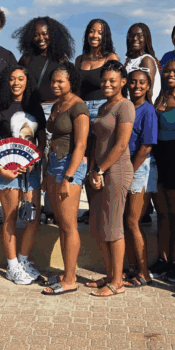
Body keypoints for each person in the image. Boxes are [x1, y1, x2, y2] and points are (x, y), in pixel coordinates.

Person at [13, 16, 76, 226]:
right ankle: (30, 206)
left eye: (45, 34)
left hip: (53, 110)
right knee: (30, 158)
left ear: (53, 35)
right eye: (37, 34)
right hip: (30, 112)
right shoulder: (26, 59)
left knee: (51, 159)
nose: (41, 38)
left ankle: (50, 209)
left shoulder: (61, 60)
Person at [0, 66, 46, 285]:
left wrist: (33, 161)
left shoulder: (35, 108)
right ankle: (12, 266)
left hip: (31, 171)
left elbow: (41, 141)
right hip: (6, 171)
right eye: (12, 79)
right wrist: (1, 167)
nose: (16, 83)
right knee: (10, 218)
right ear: (6, 82)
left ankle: (23, 260)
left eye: (20, 79)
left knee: (32, 216)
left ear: (27, 81)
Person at [84, 61, 135, 297]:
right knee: (99, 227)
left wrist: (100, 170)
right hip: (99, 172)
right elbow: (96, 142)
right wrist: (92, 170)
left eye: (112, 80)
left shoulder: (125, 106)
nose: (106, 84)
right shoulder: (104, 106)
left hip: (116, 171)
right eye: (104, 80)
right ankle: (109, 274)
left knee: (113, 227)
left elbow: (122, 144)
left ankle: (117, 283)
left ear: (122, 82)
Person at [41, 61, 89, 295]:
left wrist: (68, 177)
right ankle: (66, 272)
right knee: (61, 223)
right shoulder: (57, 104)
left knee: (69, 225)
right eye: (53, 81)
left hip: (69, 166)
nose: (55, 85)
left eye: (60, 81)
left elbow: (80, 145)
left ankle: (70, 279)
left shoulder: (78, 107)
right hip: (54, 163)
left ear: (71, 81)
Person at [75, 18, 119, 223]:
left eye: (100, 32)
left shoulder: (111, 58)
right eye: (92, 31)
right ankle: (92, 209)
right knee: (84, 159)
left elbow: (117, 88)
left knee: (101, 157)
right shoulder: (79, 60)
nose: (95, 35)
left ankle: (103, 207)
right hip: (82, 112)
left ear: (106, 35)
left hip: (103, 110)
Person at [150, 58, 175, 282]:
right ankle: (163, 260)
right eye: (167, 71)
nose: (171, 74)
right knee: (162, 214)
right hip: (159, 158)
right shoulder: (160, 97)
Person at [123, 66, 157, 288]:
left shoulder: (148, 111)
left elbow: (146, 146)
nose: (136, 86)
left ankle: (144, 273)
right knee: (125, 222)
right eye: (133, 81)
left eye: (141, 82)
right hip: (125, 166)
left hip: (140, 168)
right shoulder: (125, 107)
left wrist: (129, 171)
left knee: (133, 221)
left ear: (148, 86)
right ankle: (133, 267)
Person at [124, 22, 161, 102]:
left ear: (146, 38)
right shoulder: (129, 60)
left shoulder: (146, 60)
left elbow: (148, 92)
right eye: (131, 35)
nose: (135, 38)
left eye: (139, 36)